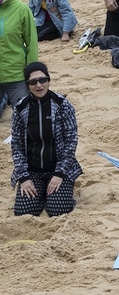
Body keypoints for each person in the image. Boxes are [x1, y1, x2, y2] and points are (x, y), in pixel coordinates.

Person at [11, 62, 82, 217]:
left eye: (42, 80)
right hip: (32, 171)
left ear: (48, 80)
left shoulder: (63, 105)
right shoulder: (20, 108)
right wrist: (24, 177)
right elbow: (16, 144)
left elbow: (71, 142)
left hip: (58, 169)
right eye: (33, 82)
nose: (39, 85)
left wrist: (60, 174)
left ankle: (57, 194)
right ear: (27, 85)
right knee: (24, 211)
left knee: (57, 210)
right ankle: (41, 193)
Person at [0, 0, 38, 110]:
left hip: (16, 75)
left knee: (25, 114)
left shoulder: (22, 9)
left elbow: (31, 43)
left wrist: (32, 73)